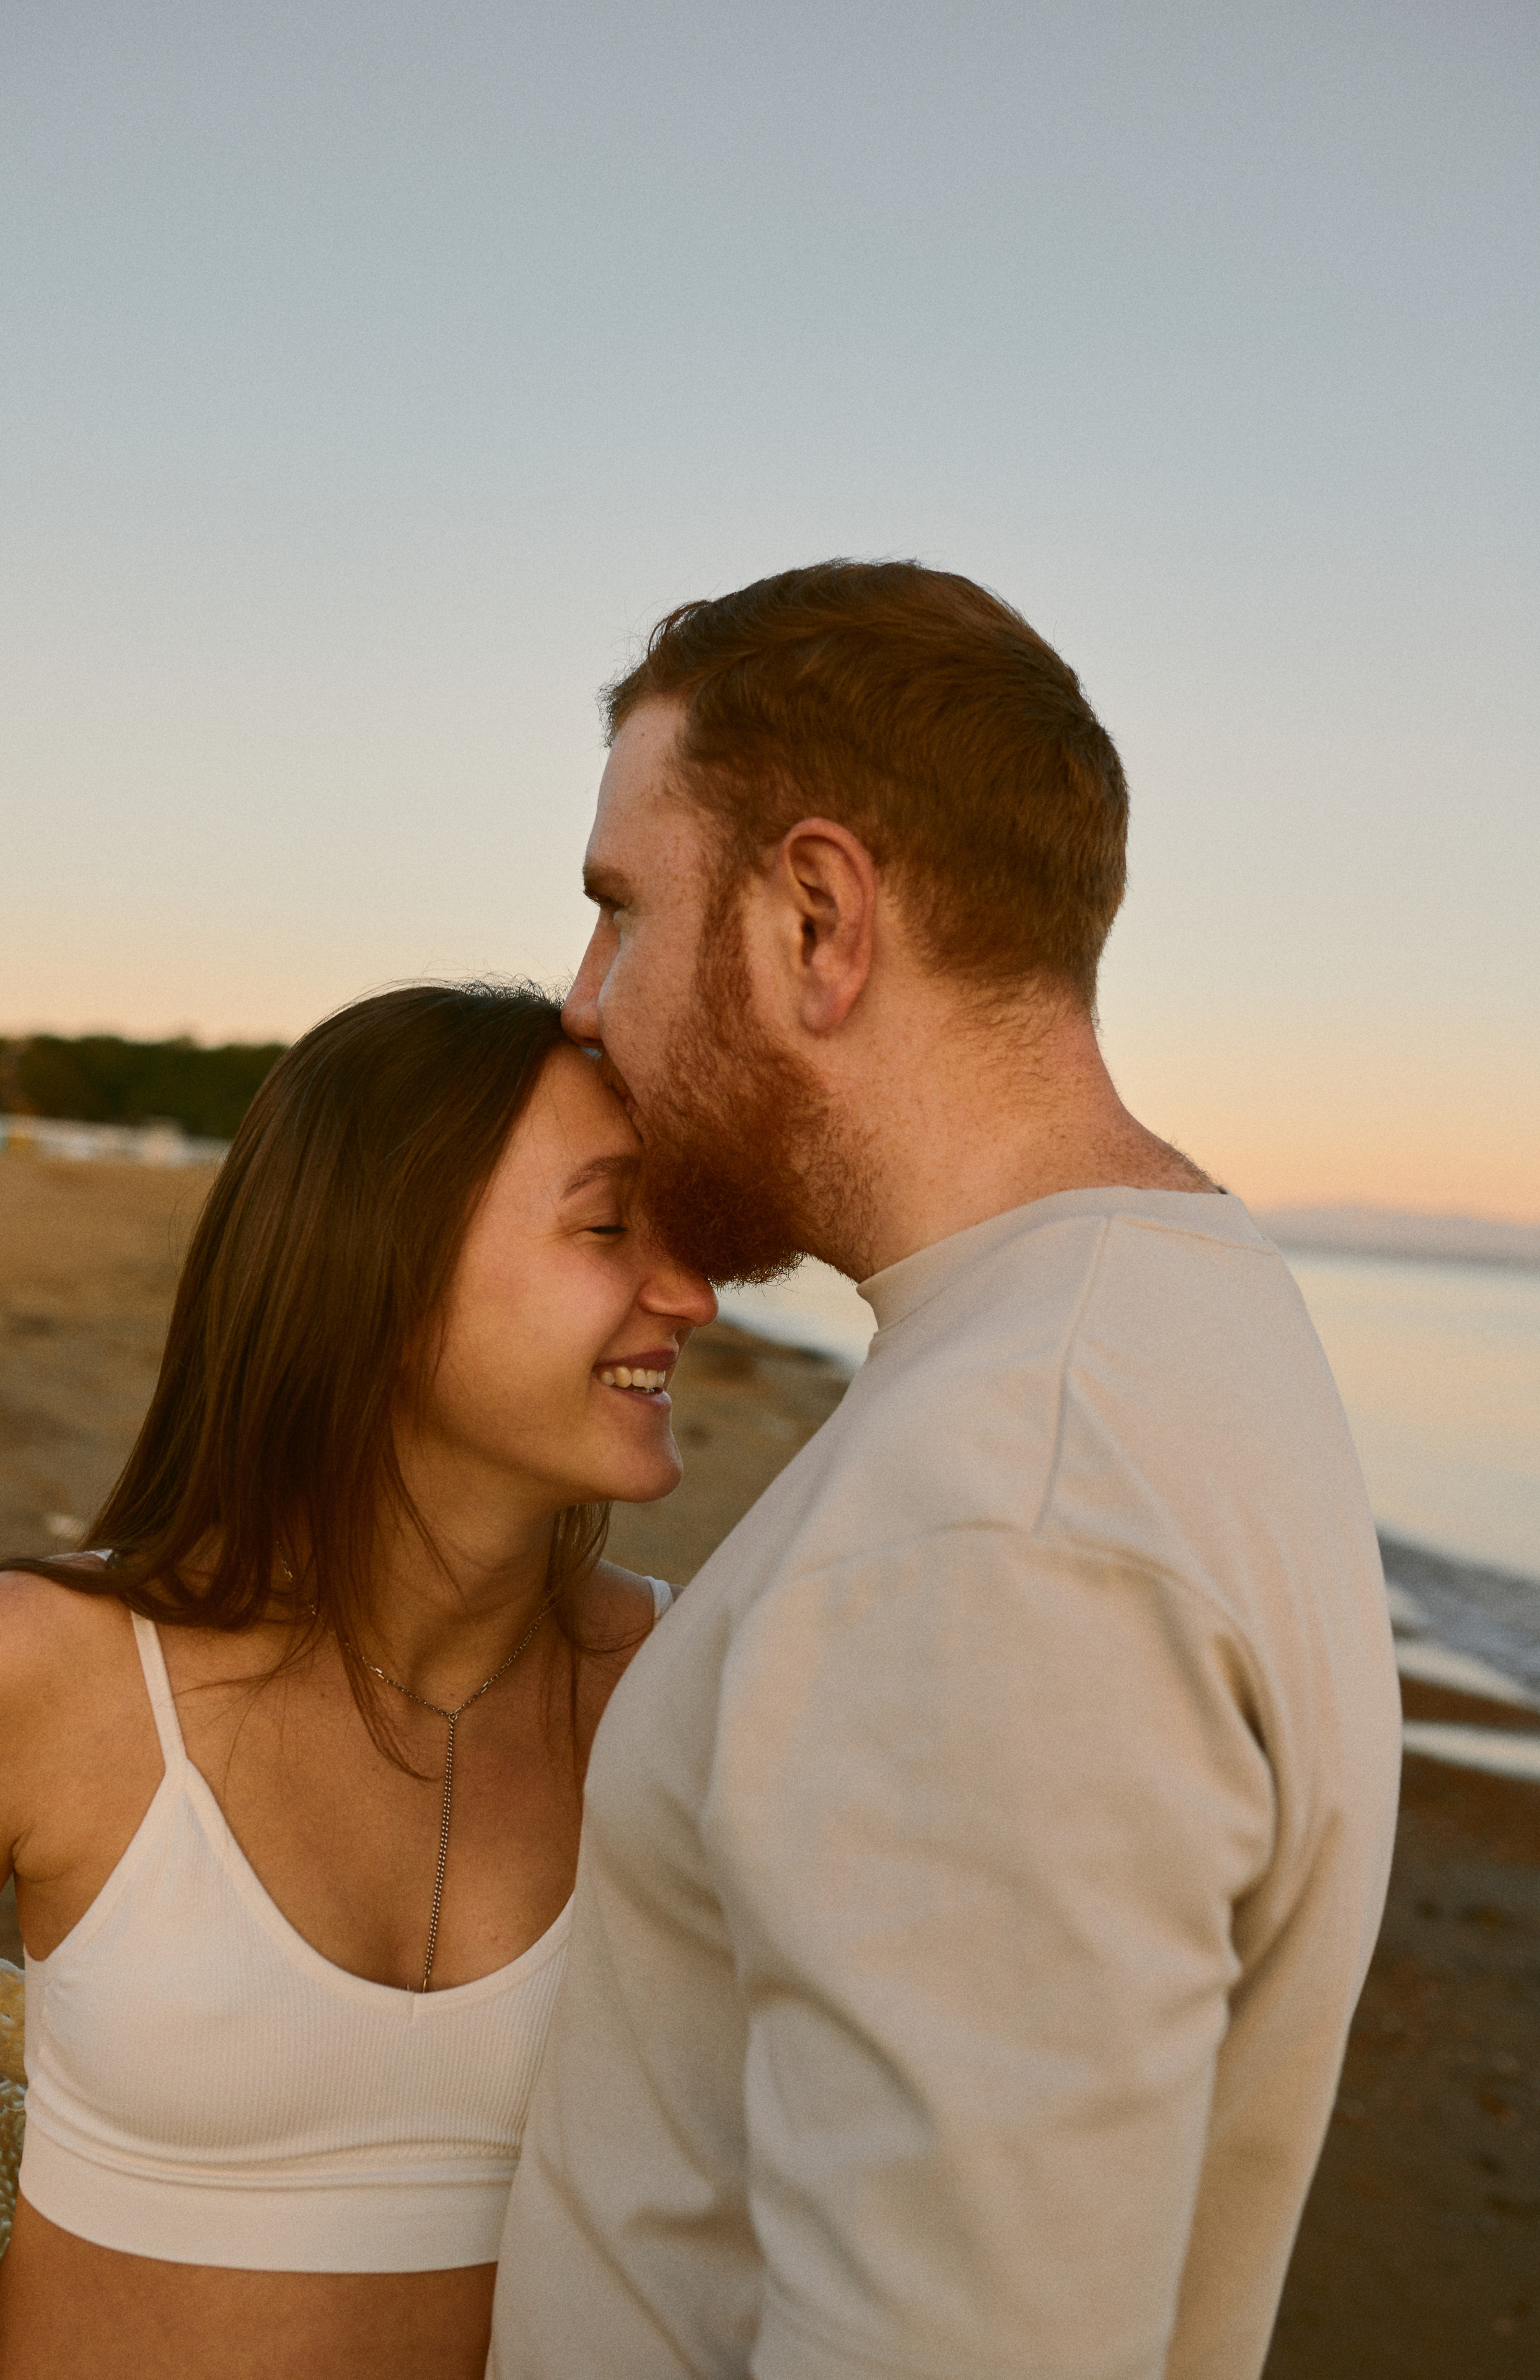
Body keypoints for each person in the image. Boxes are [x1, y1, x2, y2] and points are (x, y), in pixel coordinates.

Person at [488, 562, 1402, 2380]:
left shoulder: (995, 1524)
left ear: (818, 918)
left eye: (621, 912)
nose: (586, 1000)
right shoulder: (1178, 1318)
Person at [0, 981, 715, 2380]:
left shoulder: (695, 1691)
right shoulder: (40, 1671)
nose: (690, 1291)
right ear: (381, 1263)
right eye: (610, 1225)